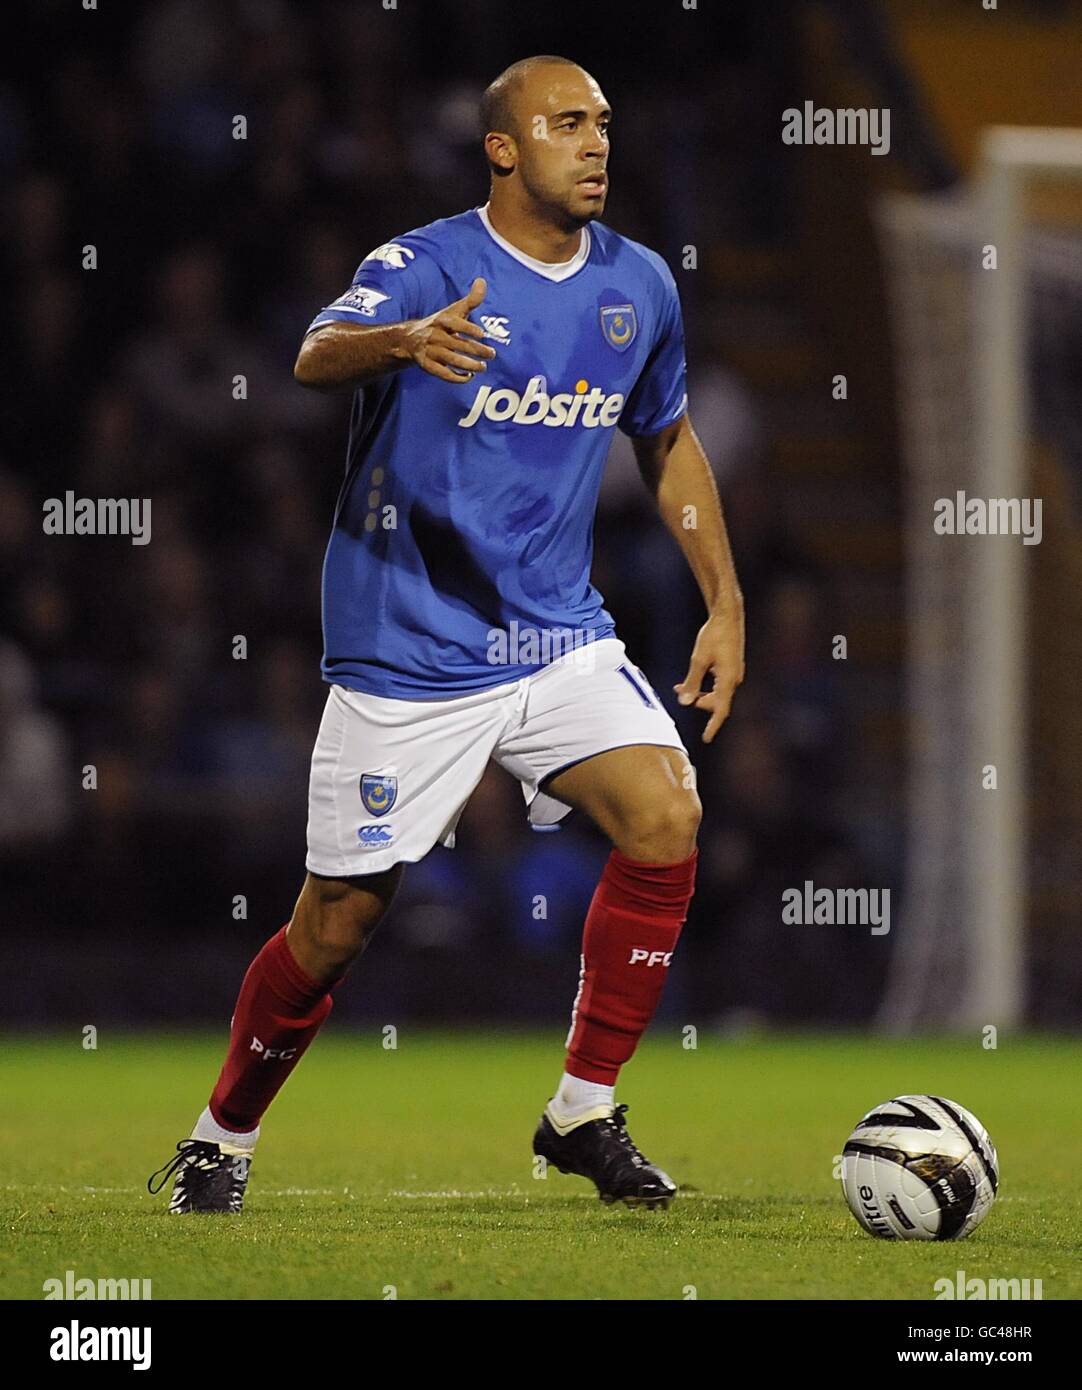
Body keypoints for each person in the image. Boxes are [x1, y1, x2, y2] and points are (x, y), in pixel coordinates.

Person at [148, 54, 744, 1215]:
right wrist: (405, 340)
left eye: (605, 123)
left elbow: (665, 443)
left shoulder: (637, 286)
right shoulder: (421, 264)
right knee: (334, 926)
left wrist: (721, 602)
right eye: (566, 122)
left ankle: (580, 1110)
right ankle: (219, 1137)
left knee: (666, 814)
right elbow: (314, 355)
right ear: (503, 147)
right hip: (409, 652)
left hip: (555, 635)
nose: (596, 142)